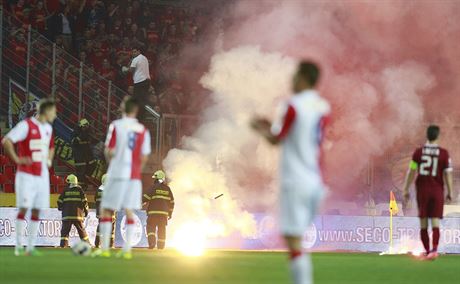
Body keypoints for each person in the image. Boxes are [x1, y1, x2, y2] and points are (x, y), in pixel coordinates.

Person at [251, 62, 330, 284]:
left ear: (304, 78)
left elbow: (276, 139)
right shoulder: (323, 107)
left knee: (293, 240)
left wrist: (260, 128)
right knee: (295, 237)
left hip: (296, 178)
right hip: (316, 179)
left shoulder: (293, 105)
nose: (292, 80)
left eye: (295, 76)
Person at [92, 97, 151, 259]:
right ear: (136, 111)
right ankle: (126, 250)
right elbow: (145, 156)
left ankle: (104, 248)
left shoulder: (116, 126)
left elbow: (108, 151)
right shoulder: (142, 130)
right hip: (133, 175)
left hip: (117, 173)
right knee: (130, 211)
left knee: (106, 210)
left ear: (124, 109)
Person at [1, 98, 57, 256]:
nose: (55, 115)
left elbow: (51, 147)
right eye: (53, 111)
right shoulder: (26, 125)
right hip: (26, 174)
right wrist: (17, 159)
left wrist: (49, 159)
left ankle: (30, 247)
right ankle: (19, 245)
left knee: (37, 210)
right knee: (24, 208)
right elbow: (7, 141)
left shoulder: (48, 129)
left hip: (42, 175)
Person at [402, 125, 453, 260]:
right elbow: (447, 174)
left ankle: (427, 250)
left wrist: (406, 188)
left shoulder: (418, 153)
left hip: (422, 190)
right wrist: (450, 191)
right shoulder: (444, 153)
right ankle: (434, 250)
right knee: (435, 221)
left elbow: (411, 171)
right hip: (437, 190)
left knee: (423, 223)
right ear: (438, 136)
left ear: (427, 135)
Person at [143, 170, 174, 249]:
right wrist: (170, 214)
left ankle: (152, 244)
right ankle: (161, 246)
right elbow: (172, 202)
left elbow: (145, 198)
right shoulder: (167, 189)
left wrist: (139, 203)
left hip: (153, 213)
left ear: (156, 179)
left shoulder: (153, 187)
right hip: (164, 214)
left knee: (150, 227)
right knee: (162, 229)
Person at [57, 174, 90, 247]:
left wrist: (60, 207)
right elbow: (85, 202)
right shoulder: (80, 190)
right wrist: (86, 211)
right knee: (81, 231)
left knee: (65, 232)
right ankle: (87, 245)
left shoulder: (65, 190)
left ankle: (63, 245)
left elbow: (59, 201)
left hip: (67, 215)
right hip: (77, 216)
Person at [122, 46, 150, 121]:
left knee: (137, 100)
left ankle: (138, 118)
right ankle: (142, 117)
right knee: (142, 100)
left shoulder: (136, 59)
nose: (133, 53)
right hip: (147, 81)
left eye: (135, 52)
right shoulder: (144, 58)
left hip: (140, 82)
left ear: (139, 51)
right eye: (132, 52)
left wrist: (125, 69)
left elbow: (131, 70)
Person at [71, 118, 96, 187]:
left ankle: (85, 180)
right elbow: (74, 142)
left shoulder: (88, 134)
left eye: (87, 126)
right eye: (85, 126)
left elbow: (92, 141)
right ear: (81, 126)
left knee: (93, 165)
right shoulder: (76, 133)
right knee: (80, 173)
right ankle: (81, 188)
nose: (86, 128)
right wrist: (82, 135)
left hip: (88, 156)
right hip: (79, 157)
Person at [94, 174, 116, 248]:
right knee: (111, 230)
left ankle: (97, 244)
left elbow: (96, 201)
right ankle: (110, 245)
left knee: (100, 228)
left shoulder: (98, 191)